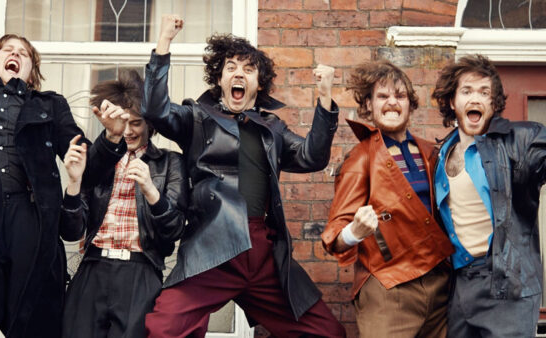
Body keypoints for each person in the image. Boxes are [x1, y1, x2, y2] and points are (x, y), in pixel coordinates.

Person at [140, 14, 347, 337]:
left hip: (261, 249)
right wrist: (164, 44)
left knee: (326, 332)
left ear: (258, 83)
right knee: (166, 327)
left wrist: (324, 98)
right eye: (231, 68)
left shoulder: (272, 128)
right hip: (213, 244)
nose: (239, 74)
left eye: (248, 69)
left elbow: (311, 157)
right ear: (220, 79)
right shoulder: (197, 117)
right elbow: (155, 111)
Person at [0, 28, 123, 337]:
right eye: (7, 50)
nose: (15, 54)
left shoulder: (48, 106)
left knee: (35, 322)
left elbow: (86, 162)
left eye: (24, 54)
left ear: (31, 74)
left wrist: (111, 137)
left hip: (28, 220)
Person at [321, 60, 453, 337]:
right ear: (368, 105)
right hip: (389, 287)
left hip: (440, 284)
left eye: (400, 96)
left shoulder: (431, 152)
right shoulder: (360, 158)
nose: (392, 102)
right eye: (382, 96)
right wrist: (354, 232)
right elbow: (335, 237)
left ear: (410, 104)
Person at [58, 69, 188, 338]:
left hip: (140, 271)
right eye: (122, 122)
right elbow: (71, 232)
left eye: (137, 123)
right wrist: (73, 182)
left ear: (150, 124)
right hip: (92, 269)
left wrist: (151, 190)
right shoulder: (98, 160)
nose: (128, 131)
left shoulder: (170, 162)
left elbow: (174, 230)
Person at [431, 54, 546, 337]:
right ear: (451, 102)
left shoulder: (519, 141)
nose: (476, 99)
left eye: (485, 93)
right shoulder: (441, 153)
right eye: (467, 91)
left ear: (493, 104)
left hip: (506, 283)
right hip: (461, 283)